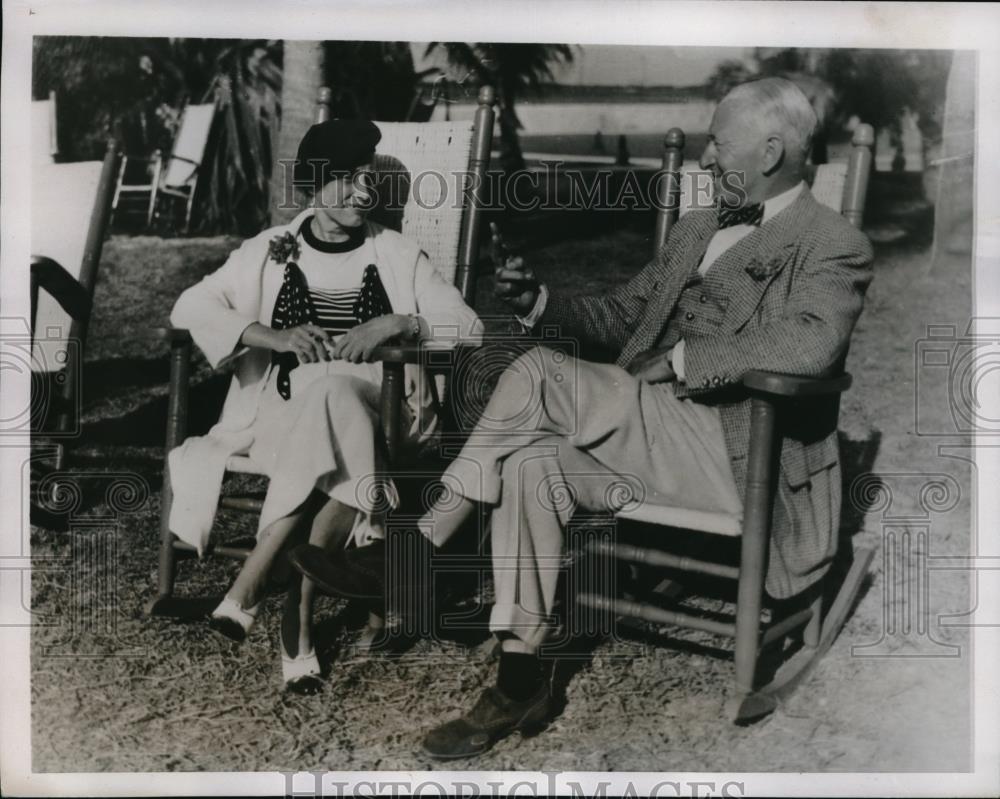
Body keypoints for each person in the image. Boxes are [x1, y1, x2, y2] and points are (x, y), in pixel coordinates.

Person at [291, 77, 874, 755]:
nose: (707, 158)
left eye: (719, 141)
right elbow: (626, 314)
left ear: (771, 151)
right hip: (646, 437)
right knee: (532, 461)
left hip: (738, 452)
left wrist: (687, 359)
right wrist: (543, 301)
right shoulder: (700, 227)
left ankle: (419, 551)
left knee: (537, 374)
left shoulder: (833, 242)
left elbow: (809, 344)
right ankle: (519, 674)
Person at [167, 118, 482, 693]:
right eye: (345, 179)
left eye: (367, 179)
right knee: (328, 406)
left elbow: (469, 327)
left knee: (335, 395)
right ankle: (298, 614)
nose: (362, 192)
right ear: (314, 182)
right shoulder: (270, 249)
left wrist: (401, 321)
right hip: (284, 420)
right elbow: (188, 308)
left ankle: (253, 585)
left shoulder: (397, 253)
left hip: (387, 415)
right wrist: (272, 336)